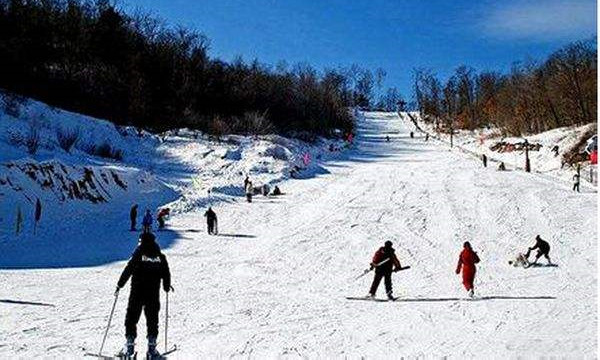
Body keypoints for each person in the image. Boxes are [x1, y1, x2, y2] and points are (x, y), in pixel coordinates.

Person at [116, 232, 171, 359]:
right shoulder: (160, 256)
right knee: (152, 319)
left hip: (137, 292)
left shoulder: (138, 253)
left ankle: (129, 347)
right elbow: (166, 272)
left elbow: (129, 268)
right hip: (153, 293)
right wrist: (166, 286)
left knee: (131, 317)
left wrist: (120, 284)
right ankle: (152, 349)